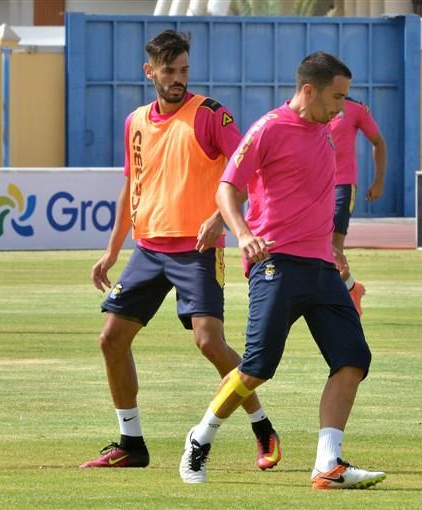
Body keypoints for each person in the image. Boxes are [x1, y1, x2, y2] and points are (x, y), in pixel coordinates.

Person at [178, 51, 386, 489]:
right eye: (337, 97)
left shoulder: (326, 130)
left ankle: (328, 465)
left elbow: (311, 193)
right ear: (308, 90)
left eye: (346, 98)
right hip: (276, 263)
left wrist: (334, 247)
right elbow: (227, 188)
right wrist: (241, 232)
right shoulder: (269, 128)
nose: (342, 108)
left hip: (321, 265)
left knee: (352, 359)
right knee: (257, 366)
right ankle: (200, 437)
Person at [81, 30, 282, 469]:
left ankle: (262, 427)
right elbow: (131, 185)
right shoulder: (135, 121)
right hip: (148, 251)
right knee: (111, 339)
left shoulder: (211, 115)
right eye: (169, 71)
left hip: (197, 249)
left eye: (184, 70)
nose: (178, 78)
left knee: (209, 342)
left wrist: (218, 219)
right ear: (149, 71)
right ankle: (131, 443)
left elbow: (245, 172)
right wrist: (112, 251)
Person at [328, 95, 387, 315]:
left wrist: (378, 181)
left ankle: (341, 300)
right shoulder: (310, 107)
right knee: (321, 250)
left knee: (334, 248)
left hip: (342, 185)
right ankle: (352, 288)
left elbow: (378, 142)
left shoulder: (356, 109)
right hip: (314, 186)